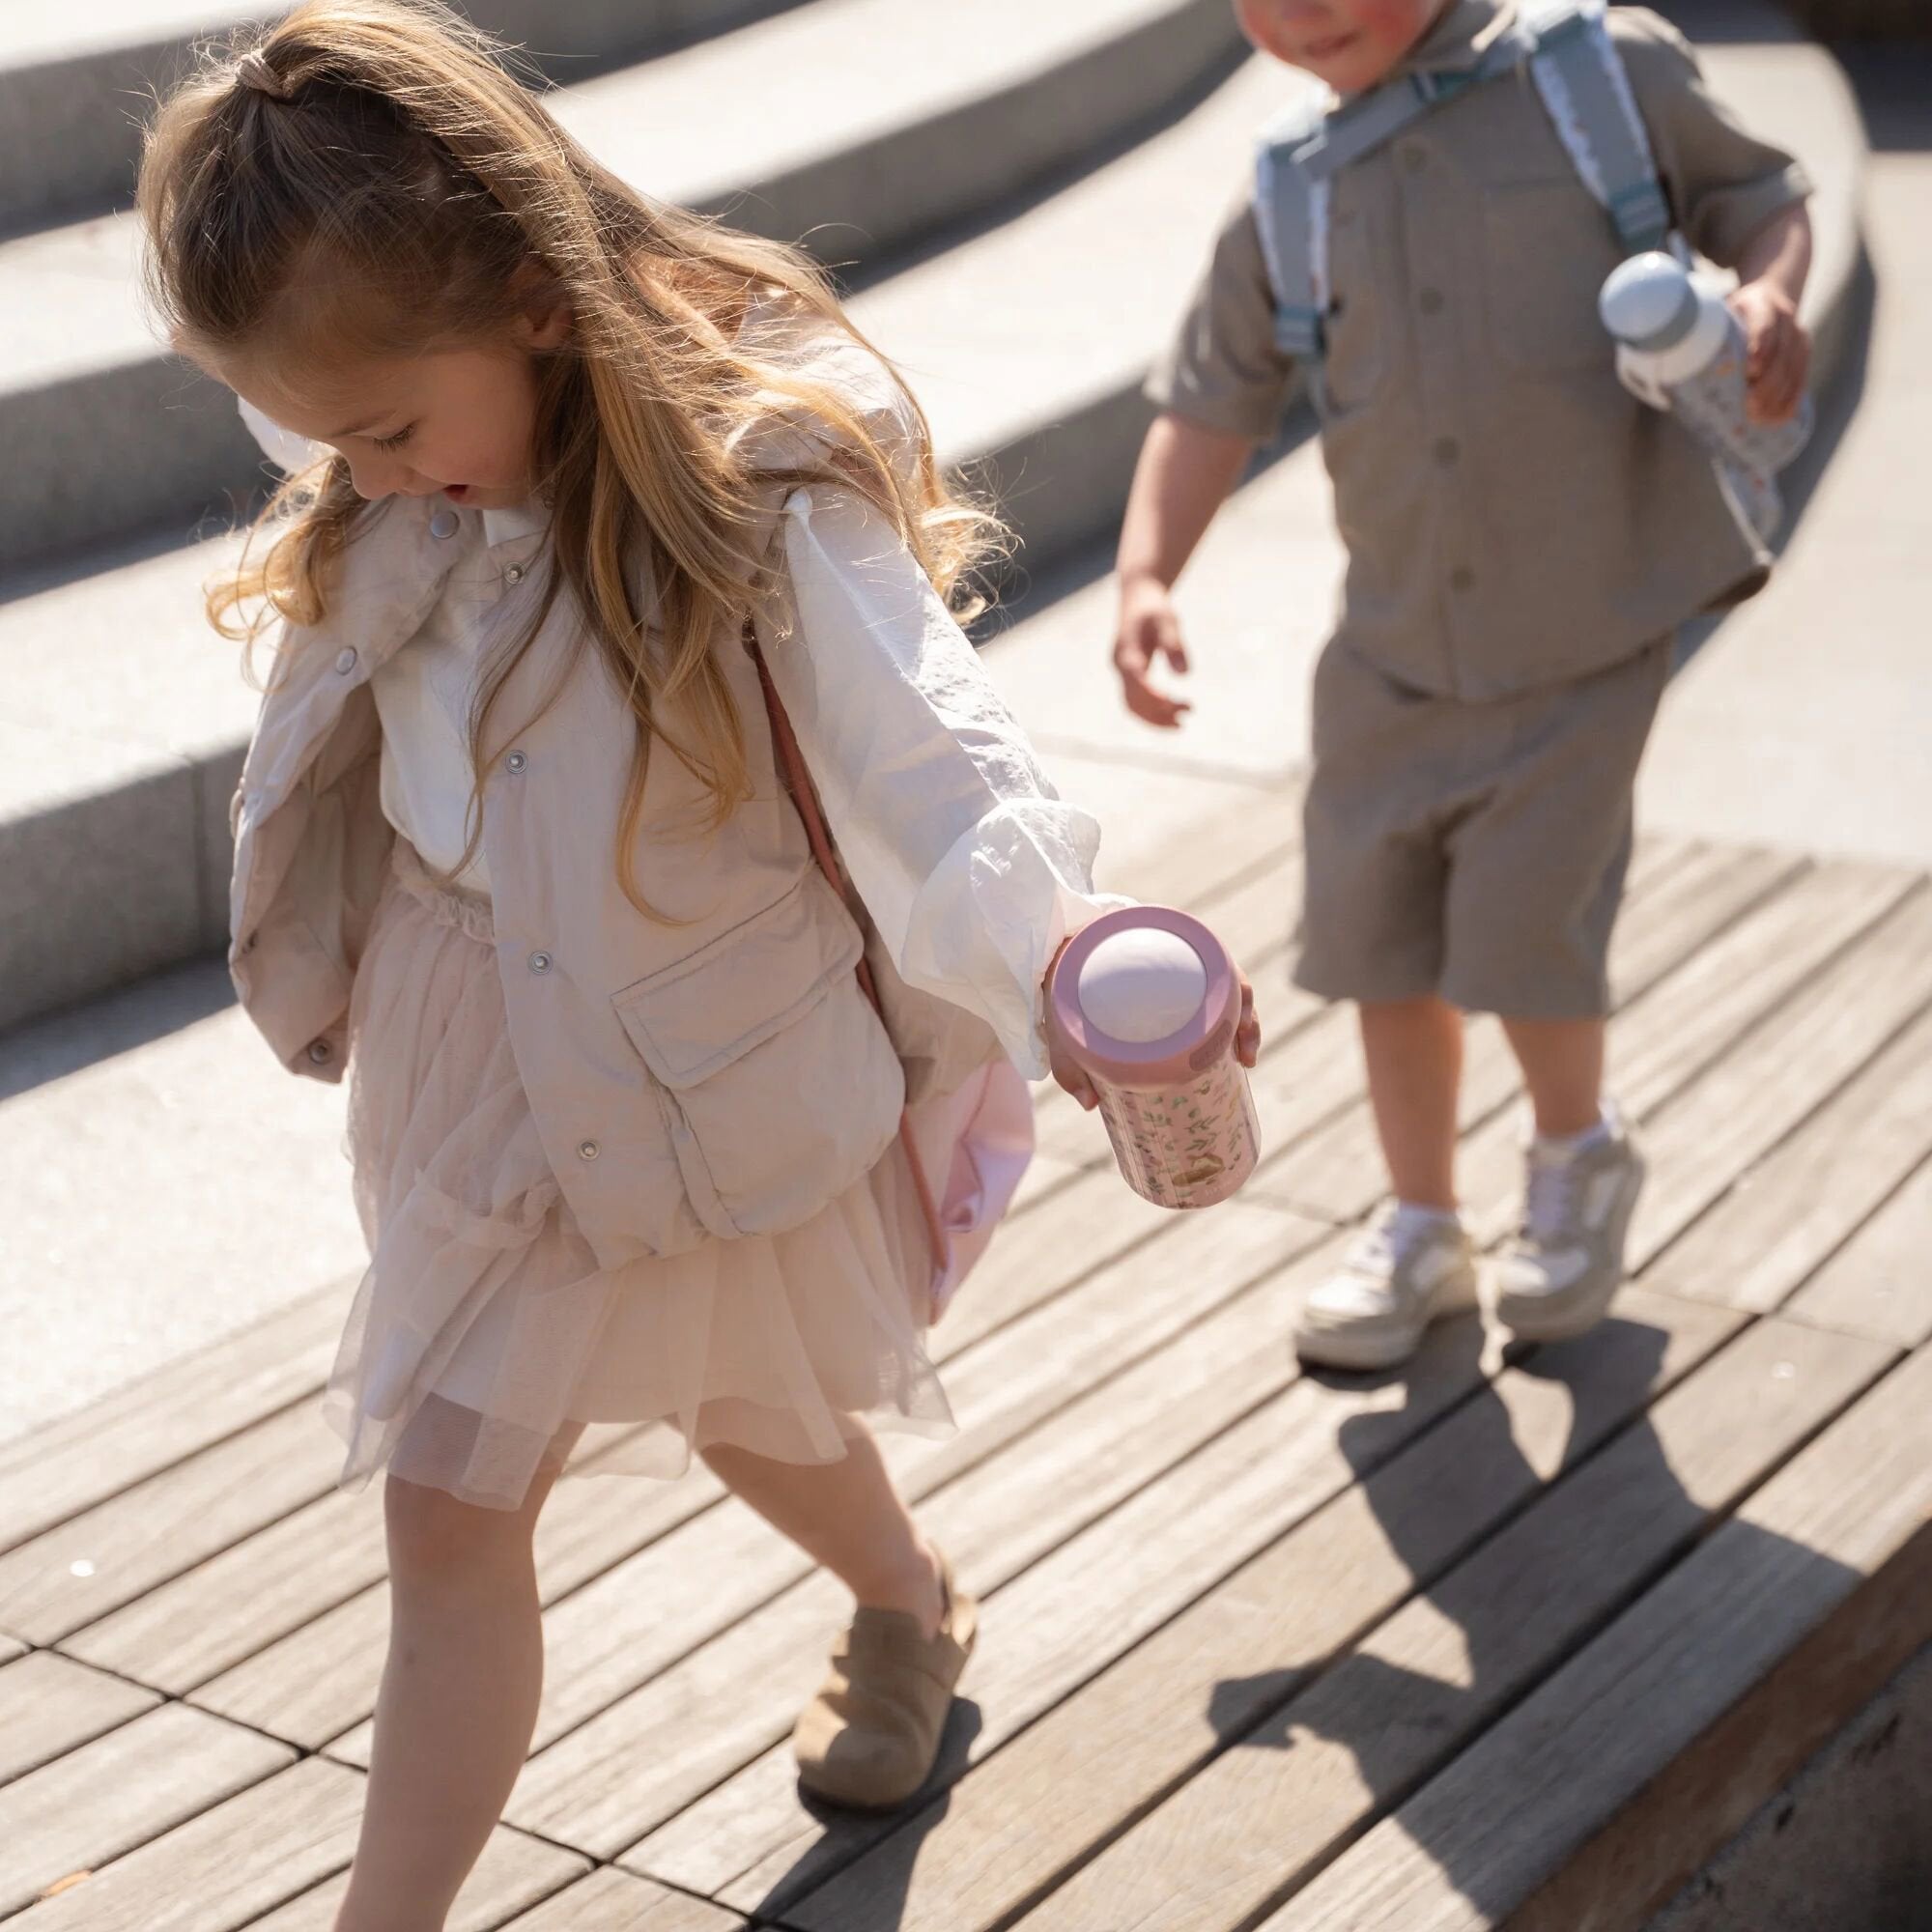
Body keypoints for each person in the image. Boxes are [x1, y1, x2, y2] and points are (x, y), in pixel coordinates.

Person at [138, 5, 1255, 1921]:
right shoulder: (399, 427)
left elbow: (932, 746)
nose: (364, 475)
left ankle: (881, 1608)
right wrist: (370, 443)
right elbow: (348, 427)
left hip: (691, 1055)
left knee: (656, 1434)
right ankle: (908, 1592)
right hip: (474, 1047)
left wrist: (1059, 943)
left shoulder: (742, 503)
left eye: (390, 430)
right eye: (322, 439)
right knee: (604, 1449)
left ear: (537, 301)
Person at [1113, 0, 1811, 1371]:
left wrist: (1769, 291)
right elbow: (1210, 398)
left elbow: (1761, 198)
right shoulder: (1290, 186)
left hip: (1582, 634)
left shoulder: (1597, 73)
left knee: (1521, 930)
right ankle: (1423, 1223)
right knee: (1381, 943)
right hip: (1390, 651)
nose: (1304, 15)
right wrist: (1145, 574)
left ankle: (1575, 1157)